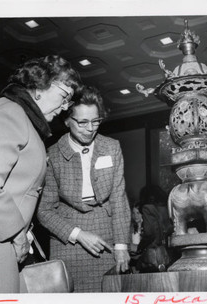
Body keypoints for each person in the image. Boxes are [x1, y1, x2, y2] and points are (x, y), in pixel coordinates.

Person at [0, 55, 81, 293]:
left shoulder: (18, 116)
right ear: (40, 86)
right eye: (63, 97)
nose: (64, 108)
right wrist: (17, 233)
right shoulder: (10, 114)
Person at [36, 86, 131, 292]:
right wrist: (78, 234)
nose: (90, 128)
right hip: (69, 243)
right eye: (83, 122)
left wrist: (121, 246)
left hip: (107, 239)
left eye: (96, 121)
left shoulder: (112, 147)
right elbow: (44, 211)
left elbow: (118, 199)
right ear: (67, 121)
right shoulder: (52, 155)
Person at [135, 185, 174, 273]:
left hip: (154, 257)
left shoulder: (147, 208)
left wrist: (139, 247)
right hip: (169, 254)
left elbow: (150, 232)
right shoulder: (167, 207)